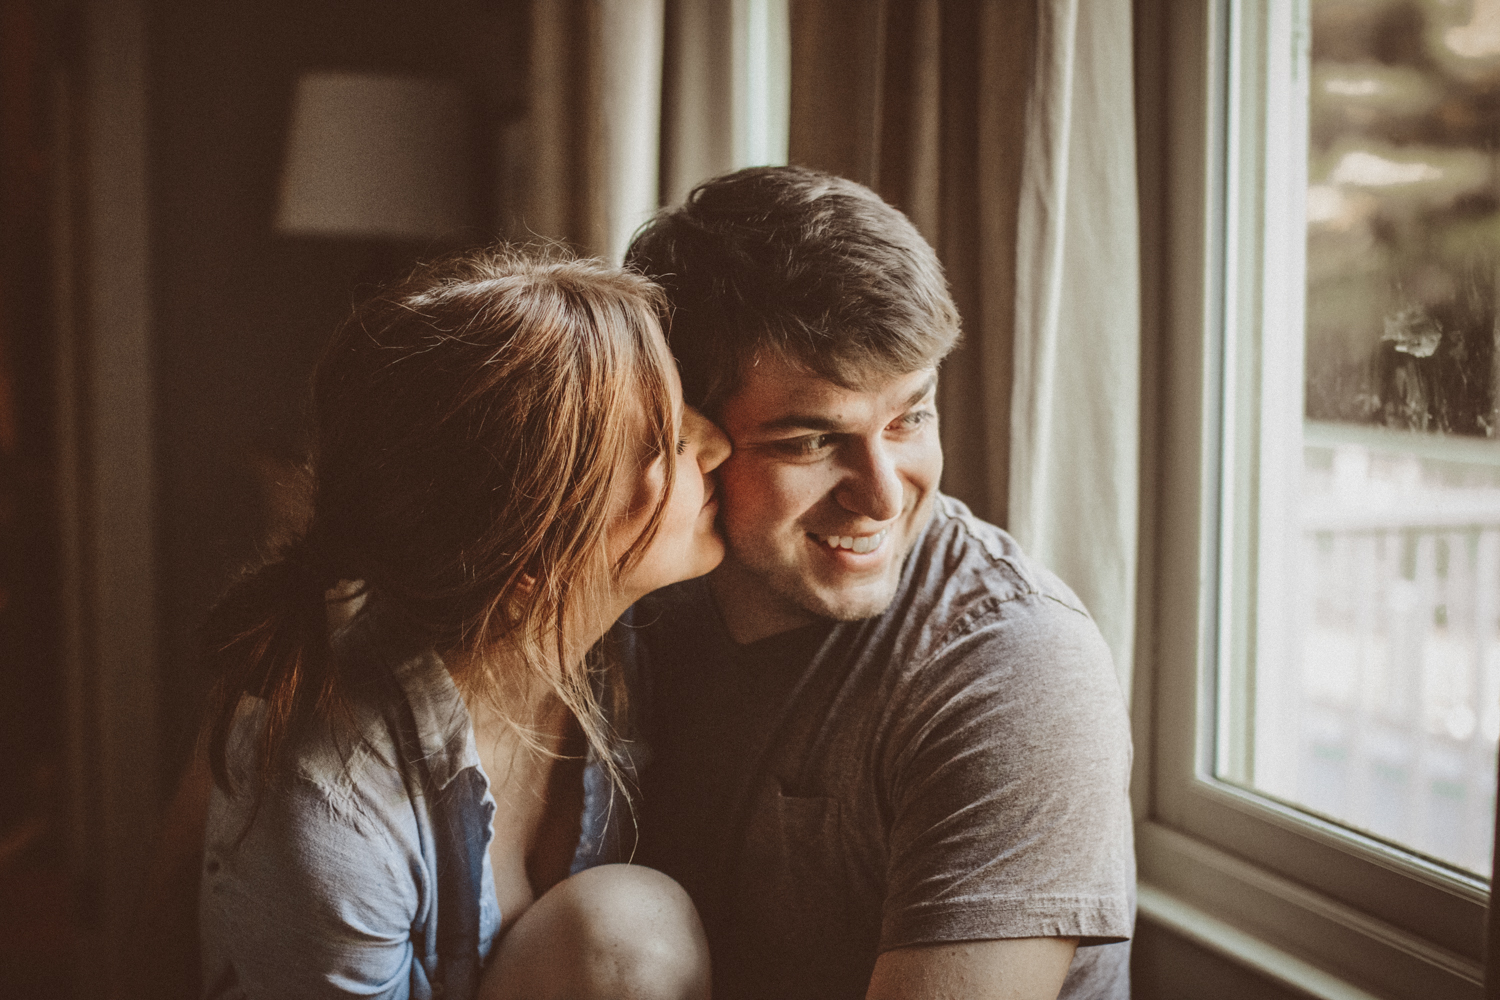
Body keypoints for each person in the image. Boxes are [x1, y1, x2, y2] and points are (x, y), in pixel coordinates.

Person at [614, 165, 1135, 1000]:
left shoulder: (1015, 665)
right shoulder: (634, 589)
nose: (886, 495)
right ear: (684, 435)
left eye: (910, 418)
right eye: (814, 440)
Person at [191, 249, 728, 1000]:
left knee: (627, 925)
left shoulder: (631, 650)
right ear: (532, 562)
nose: (720, 444)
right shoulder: (330, 802)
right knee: (633, 926)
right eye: (667, 443)